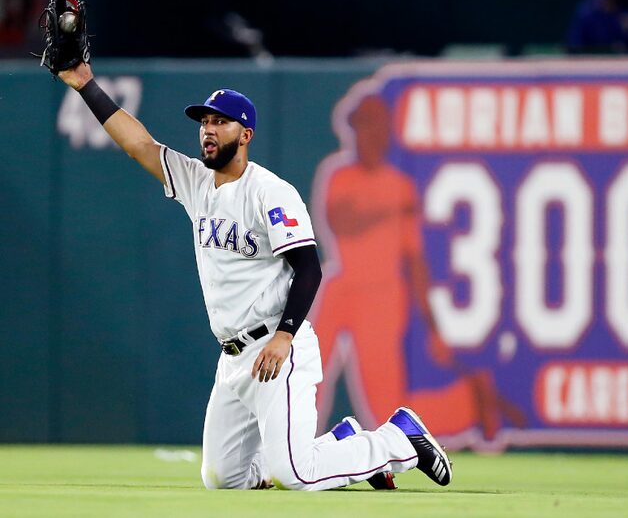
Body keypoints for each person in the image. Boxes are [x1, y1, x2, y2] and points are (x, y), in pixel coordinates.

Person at [54, 62, 452, 491]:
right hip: (233, 356)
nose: (208, 130)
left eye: (220, 122)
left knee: (292, 475)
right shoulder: (196, 182)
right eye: (204, 122)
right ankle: (342, 442)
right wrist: (85, 85)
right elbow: (139, 145)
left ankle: (399, 440)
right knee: (222, 479)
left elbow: (309, 267)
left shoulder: (270, 192)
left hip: (277, 346)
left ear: (245, 135)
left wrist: (284, 337)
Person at [313, 95, 526, 442]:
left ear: (384, 132)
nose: (363, 136)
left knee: (385, 412)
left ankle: (466, 405)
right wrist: (391, 211)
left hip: (382, 296)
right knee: (307, 369)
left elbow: (415, 263)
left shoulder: (400, 184)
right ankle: (295, 443)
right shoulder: (340, 175)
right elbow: (344, 221)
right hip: (343, 284)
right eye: (359, 128)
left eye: (370, 127)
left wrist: (433, 327)